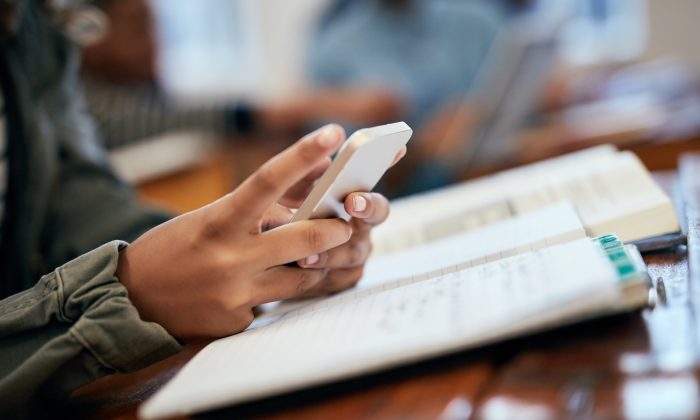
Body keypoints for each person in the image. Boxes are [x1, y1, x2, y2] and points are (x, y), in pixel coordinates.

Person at [0, 1, 402, 417]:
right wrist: (127, 297)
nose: (157, 43)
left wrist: (241, 256)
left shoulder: (33, 21)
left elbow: (72, 197)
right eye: (140, 29)